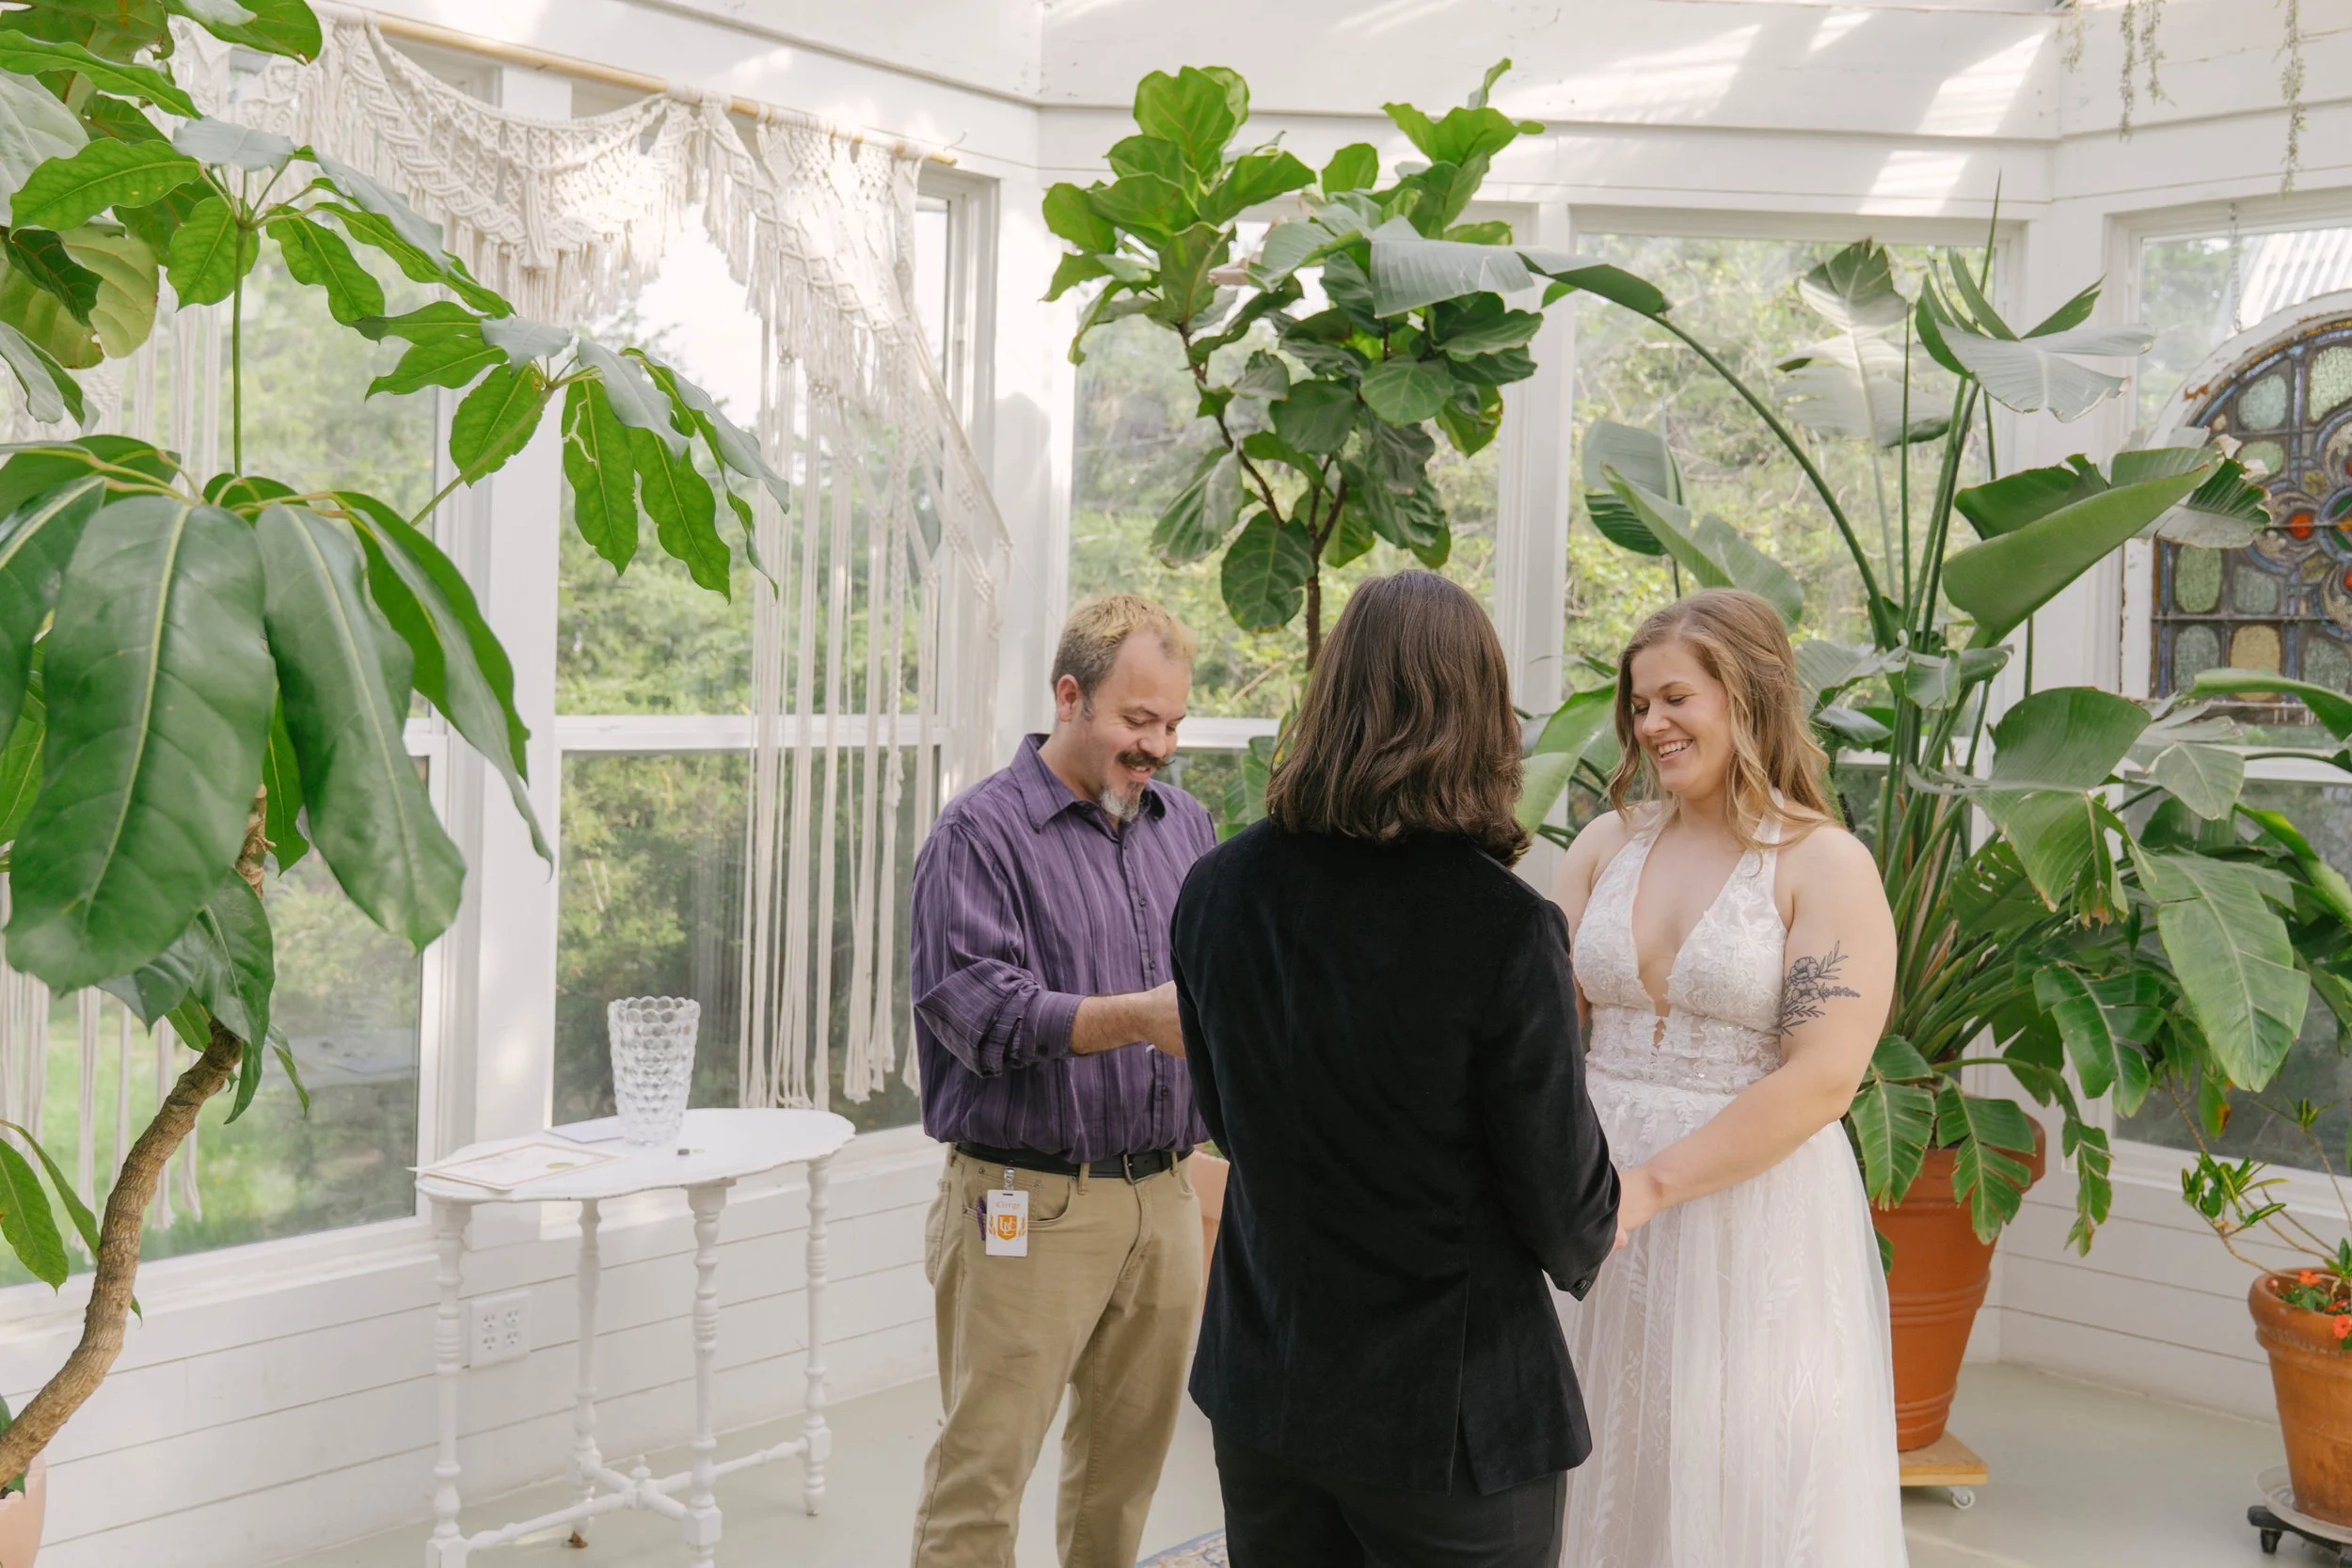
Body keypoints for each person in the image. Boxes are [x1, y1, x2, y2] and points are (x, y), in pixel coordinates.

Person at [1172, 570, 1621, 1568]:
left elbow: (1231, 1124)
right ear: (1480, 718)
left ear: (1329, 697)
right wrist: (1607, 1211)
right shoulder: (1504, 927)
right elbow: (1558, 1201)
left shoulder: (1214, 888)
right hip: (1446, 1419)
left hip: (1266, 1381)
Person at [1552, 588, 1906, 1567]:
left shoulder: (1824, 863)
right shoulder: (1603, 846)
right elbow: (1532, 1028)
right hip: (1592, 1207)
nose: (1650, 725)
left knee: (1732, 1476)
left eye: (1676, 698)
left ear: (1747, 696)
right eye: (1639, 705)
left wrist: (1650, 1184)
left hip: (1747, 1219)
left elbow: (1823, 1079)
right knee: (1596, 1460)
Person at [905, 594, 1216, 1568]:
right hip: (1025, 1202)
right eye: (1138, 719)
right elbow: (979, 1013)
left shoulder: (1187, 825)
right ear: (1069, 696)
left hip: (1166, 1198)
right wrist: (1137, 1016)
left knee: (1121, 1483)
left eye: (1172, 723)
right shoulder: (977, 835)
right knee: (981, 1478)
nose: (1157, 745)